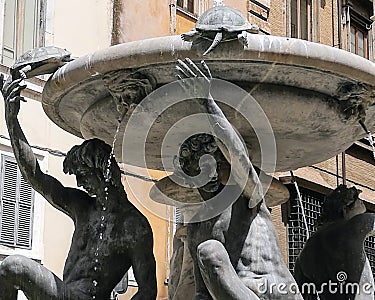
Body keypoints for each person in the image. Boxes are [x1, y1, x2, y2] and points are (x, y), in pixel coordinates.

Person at [0, 76, 157, 299]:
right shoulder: (81, 206)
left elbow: (148, 290)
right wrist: (11, 119)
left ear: (102, 172)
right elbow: (34, 177)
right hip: (66, 293)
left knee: (14, 266)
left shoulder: (134, 226)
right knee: (11, 268)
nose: (79, 183)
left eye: (83, 175)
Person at [176, 60, 303, 300]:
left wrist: (207, 103)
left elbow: (238, 155)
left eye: (212, 163)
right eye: (198, 166)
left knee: (210, 250)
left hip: (275, 293)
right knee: (208, 251)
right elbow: (203, 292)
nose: (207, 172)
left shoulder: (246, 196)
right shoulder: (195, 228)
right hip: (238, 295)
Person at [295, 184, 375, 300]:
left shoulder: (305, 252)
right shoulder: (353, 225)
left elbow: (303, 294)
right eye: (359, 202)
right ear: (345, 209)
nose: (363, 207)